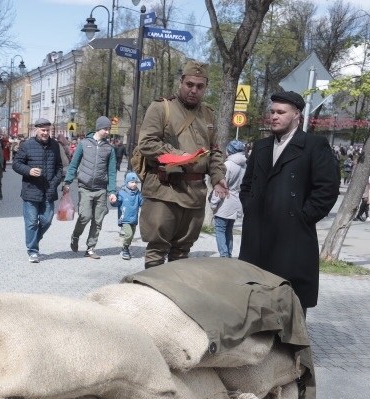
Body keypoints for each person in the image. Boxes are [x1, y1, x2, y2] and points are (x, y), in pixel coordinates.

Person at [238, 90, 339, 312]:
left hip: (292, 237)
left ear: (296, 115)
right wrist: (250, 207)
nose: (274, 116)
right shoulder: (261, 146)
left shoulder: (314, 145)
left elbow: (327, 189)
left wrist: (303, 216)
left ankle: (292, 346)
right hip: (257, 235)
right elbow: (246, 185)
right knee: (256, 298)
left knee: (290, 303)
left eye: (281, 112)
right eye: (272, 111)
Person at [137, 60, 227, 268]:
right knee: (156, 252)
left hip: (194, 194)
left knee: (182, 253)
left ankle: (172, 296)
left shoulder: (208, 114)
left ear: (206, 87)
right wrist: (182, 156)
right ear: (181, 82)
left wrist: (218, 177)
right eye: (190, 84)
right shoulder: (161, 108)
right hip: (164, 190)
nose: (194, 90)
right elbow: (147, 144)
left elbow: (214, 151)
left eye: (200, 86)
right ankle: (152, 297)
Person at [11, 117, 64, 263]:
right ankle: (33, 250)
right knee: (32, 222)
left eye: (48, 130)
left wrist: (54, 183)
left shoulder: (55, 145)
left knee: (47, 220)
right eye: (43, 130)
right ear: (36, 130)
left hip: (49, 190)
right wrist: (28, 170)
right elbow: (16, 164)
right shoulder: (27, 145)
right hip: (31, 189)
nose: (46, 133)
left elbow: (59, 167)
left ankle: (34, 239)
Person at [64, 116, 117, 259]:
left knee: (98, 220)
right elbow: (74, 164)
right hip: (85, 187)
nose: (107, 132)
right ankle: (75, 235)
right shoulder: (83, 144)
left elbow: (112, 172)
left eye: (109, 129)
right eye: (105, 129)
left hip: (101, 189)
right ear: (98, 128)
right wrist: (67, 182)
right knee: (85, 216)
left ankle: (91, 247)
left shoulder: (109, 148)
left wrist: (112, 191)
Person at [208, 140, 246, 258]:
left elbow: (221, 187)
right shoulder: (244, 166)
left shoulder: (227, 165)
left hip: (224, 201)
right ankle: (228, 253)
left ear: (229, 151)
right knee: (229, 230)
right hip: (236, 202)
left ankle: (224, 254)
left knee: (219, 229)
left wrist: (213, 204)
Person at [112, 171, 143, 260]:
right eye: (132, 182)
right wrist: (113, 201)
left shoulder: (138, 193)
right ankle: (125, 249)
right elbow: (117, 203)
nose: (134, 184)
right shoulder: (122, 192)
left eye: (135, 182)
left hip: (134, 218)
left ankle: (126, 247)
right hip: (124, 218)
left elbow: (142, 202)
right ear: (127, 182)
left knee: (131, 235)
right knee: (128, 234)